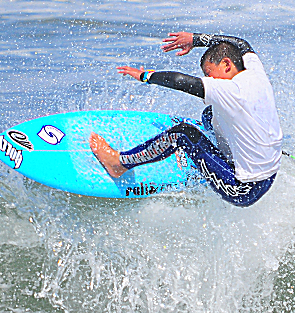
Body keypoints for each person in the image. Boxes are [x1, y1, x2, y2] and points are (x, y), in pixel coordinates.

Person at [89, 31, 282, 207]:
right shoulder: (255, 73)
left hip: (242, 189)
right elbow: (242, 43)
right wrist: (195, 40)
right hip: (269, 173)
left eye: (209, 74)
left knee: (182, 133)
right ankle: (209, 153)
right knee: (209, 114)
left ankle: (119, 164)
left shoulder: (233, 91)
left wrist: (145, 76)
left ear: (226, 64)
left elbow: (179, 81)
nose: (208, 79)